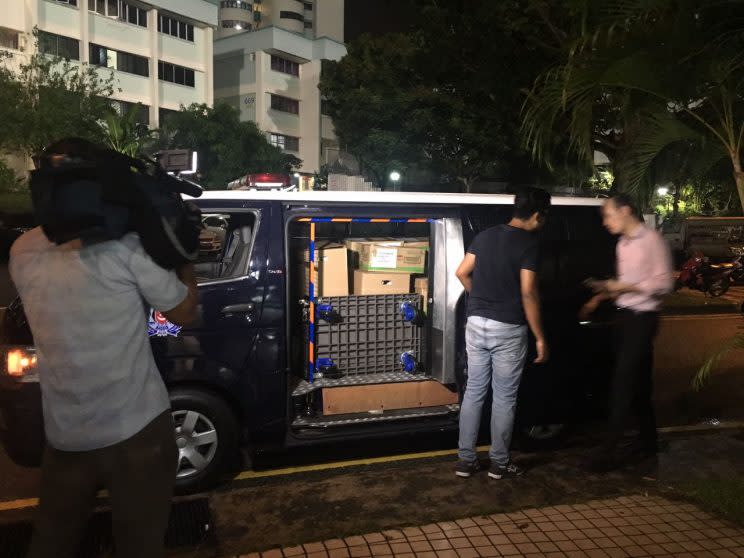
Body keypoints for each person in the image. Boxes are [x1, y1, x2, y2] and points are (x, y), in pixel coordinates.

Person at [10, 143, 198, 558]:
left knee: (52, 542)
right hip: (138, 430)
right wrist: (186, 257)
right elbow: (183, 310)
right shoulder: (124, 249)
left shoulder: (21, 253)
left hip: (65, 434)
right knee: (139, 544)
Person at [454, 187, 551, 479]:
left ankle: (466, 461)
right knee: (505, 398)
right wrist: (540, 337)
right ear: (536, 215)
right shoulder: (528, 244)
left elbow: (461, 272)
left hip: (476, 323)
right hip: (508, 327)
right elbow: (528, 293)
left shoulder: (484, 236)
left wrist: (480, 298)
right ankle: (499, 463)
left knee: (473, 393)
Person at [580, 194, 673, 471]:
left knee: (622, 384)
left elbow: (665, 283)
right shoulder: (623, 244)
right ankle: (648, 441)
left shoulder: (651, 240)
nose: (606, 222)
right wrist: (603, 292)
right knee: (639, 384)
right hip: (623, 316)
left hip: (643, 319)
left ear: (625, 210)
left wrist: (624, 288)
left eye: (608, 216)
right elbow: (627, 283)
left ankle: (607, 453)